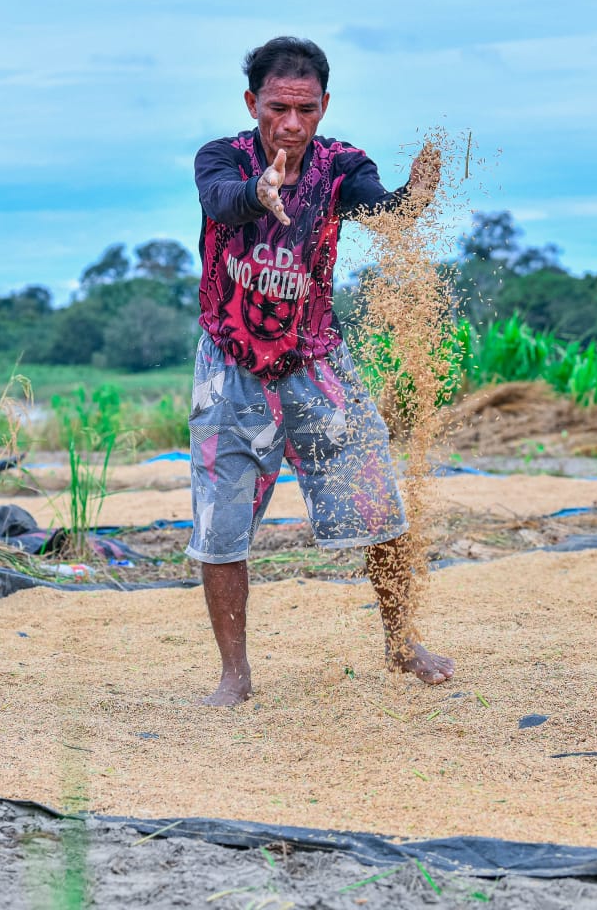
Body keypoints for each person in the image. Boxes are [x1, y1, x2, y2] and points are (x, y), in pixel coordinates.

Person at [189, 35, 455, 706]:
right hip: (231, 364)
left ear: (324, 105)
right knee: (219, 529)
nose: (291, 123)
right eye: (277, 107)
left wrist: (412, 199)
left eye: (305, 109)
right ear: (252, 102)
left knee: (380, 508)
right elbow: (223, 201)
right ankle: (234, 674)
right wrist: (259, 191)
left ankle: (399, 644)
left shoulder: (341, 165)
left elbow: (380, 212)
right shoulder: (221, 158)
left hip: (315, 360)